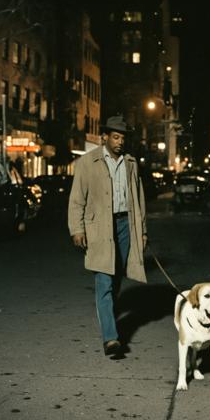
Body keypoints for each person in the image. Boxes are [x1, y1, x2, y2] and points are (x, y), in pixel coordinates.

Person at [68, 115, 148, 357]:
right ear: (104, 137)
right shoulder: (87, 162)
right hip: (100, 227)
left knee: (116, 279)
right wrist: (77, 229)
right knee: (103, 281)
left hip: (125, 225)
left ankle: (108, 316)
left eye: (123, 137)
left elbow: (139, 199)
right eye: (115, 136)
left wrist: (142, 231)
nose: (119, 141)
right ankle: (111, 339)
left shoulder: (131, 163)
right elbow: (76, 199)